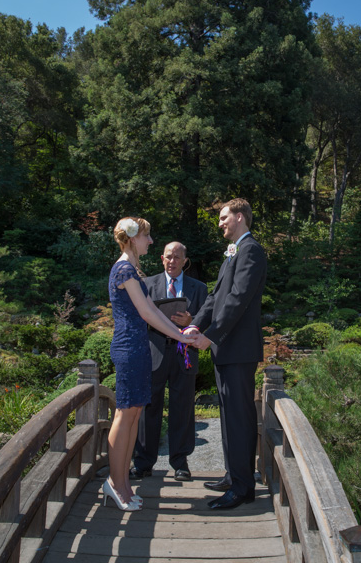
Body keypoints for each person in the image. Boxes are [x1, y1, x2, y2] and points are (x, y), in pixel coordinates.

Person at [104, 217, 196, 511]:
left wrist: (180, 334)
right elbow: (148, 314)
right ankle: (115, 484)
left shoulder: (132, 269)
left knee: (132, 416)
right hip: (130, 348)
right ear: (132, 238)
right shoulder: (124, 269)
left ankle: (124, 485)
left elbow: (149, 314)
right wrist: (181, 335)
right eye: (147, 236)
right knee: (124, 415)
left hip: (138, 348)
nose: (151, 241)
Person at [186, 198, 267, 510]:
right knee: (228, 415)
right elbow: (216, 297)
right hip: (226, 347)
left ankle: (243, 488)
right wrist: (194, 326)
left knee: (239, 417)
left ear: (240, 218)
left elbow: (239, 298)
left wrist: (210, 335)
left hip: (238, 348)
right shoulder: (233, 251)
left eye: (223, 217)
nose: (219, 223)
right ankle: (235, 475)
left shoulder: (252, 250)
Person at [131, 242, 208, 482]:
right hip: (153, 353)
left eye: (177, 257)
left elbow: (208, 319)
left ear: (185, 260)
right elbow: (137, 318)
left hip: (183, 353)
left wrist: (191, 319)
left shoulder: (199, 288)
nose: (172, 261)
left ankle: (180, 463)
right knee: (148, 409)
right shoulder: (147, 285)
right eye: (168, 257)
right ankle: (143, 463)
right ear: (161, 259)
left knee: (183, 408)